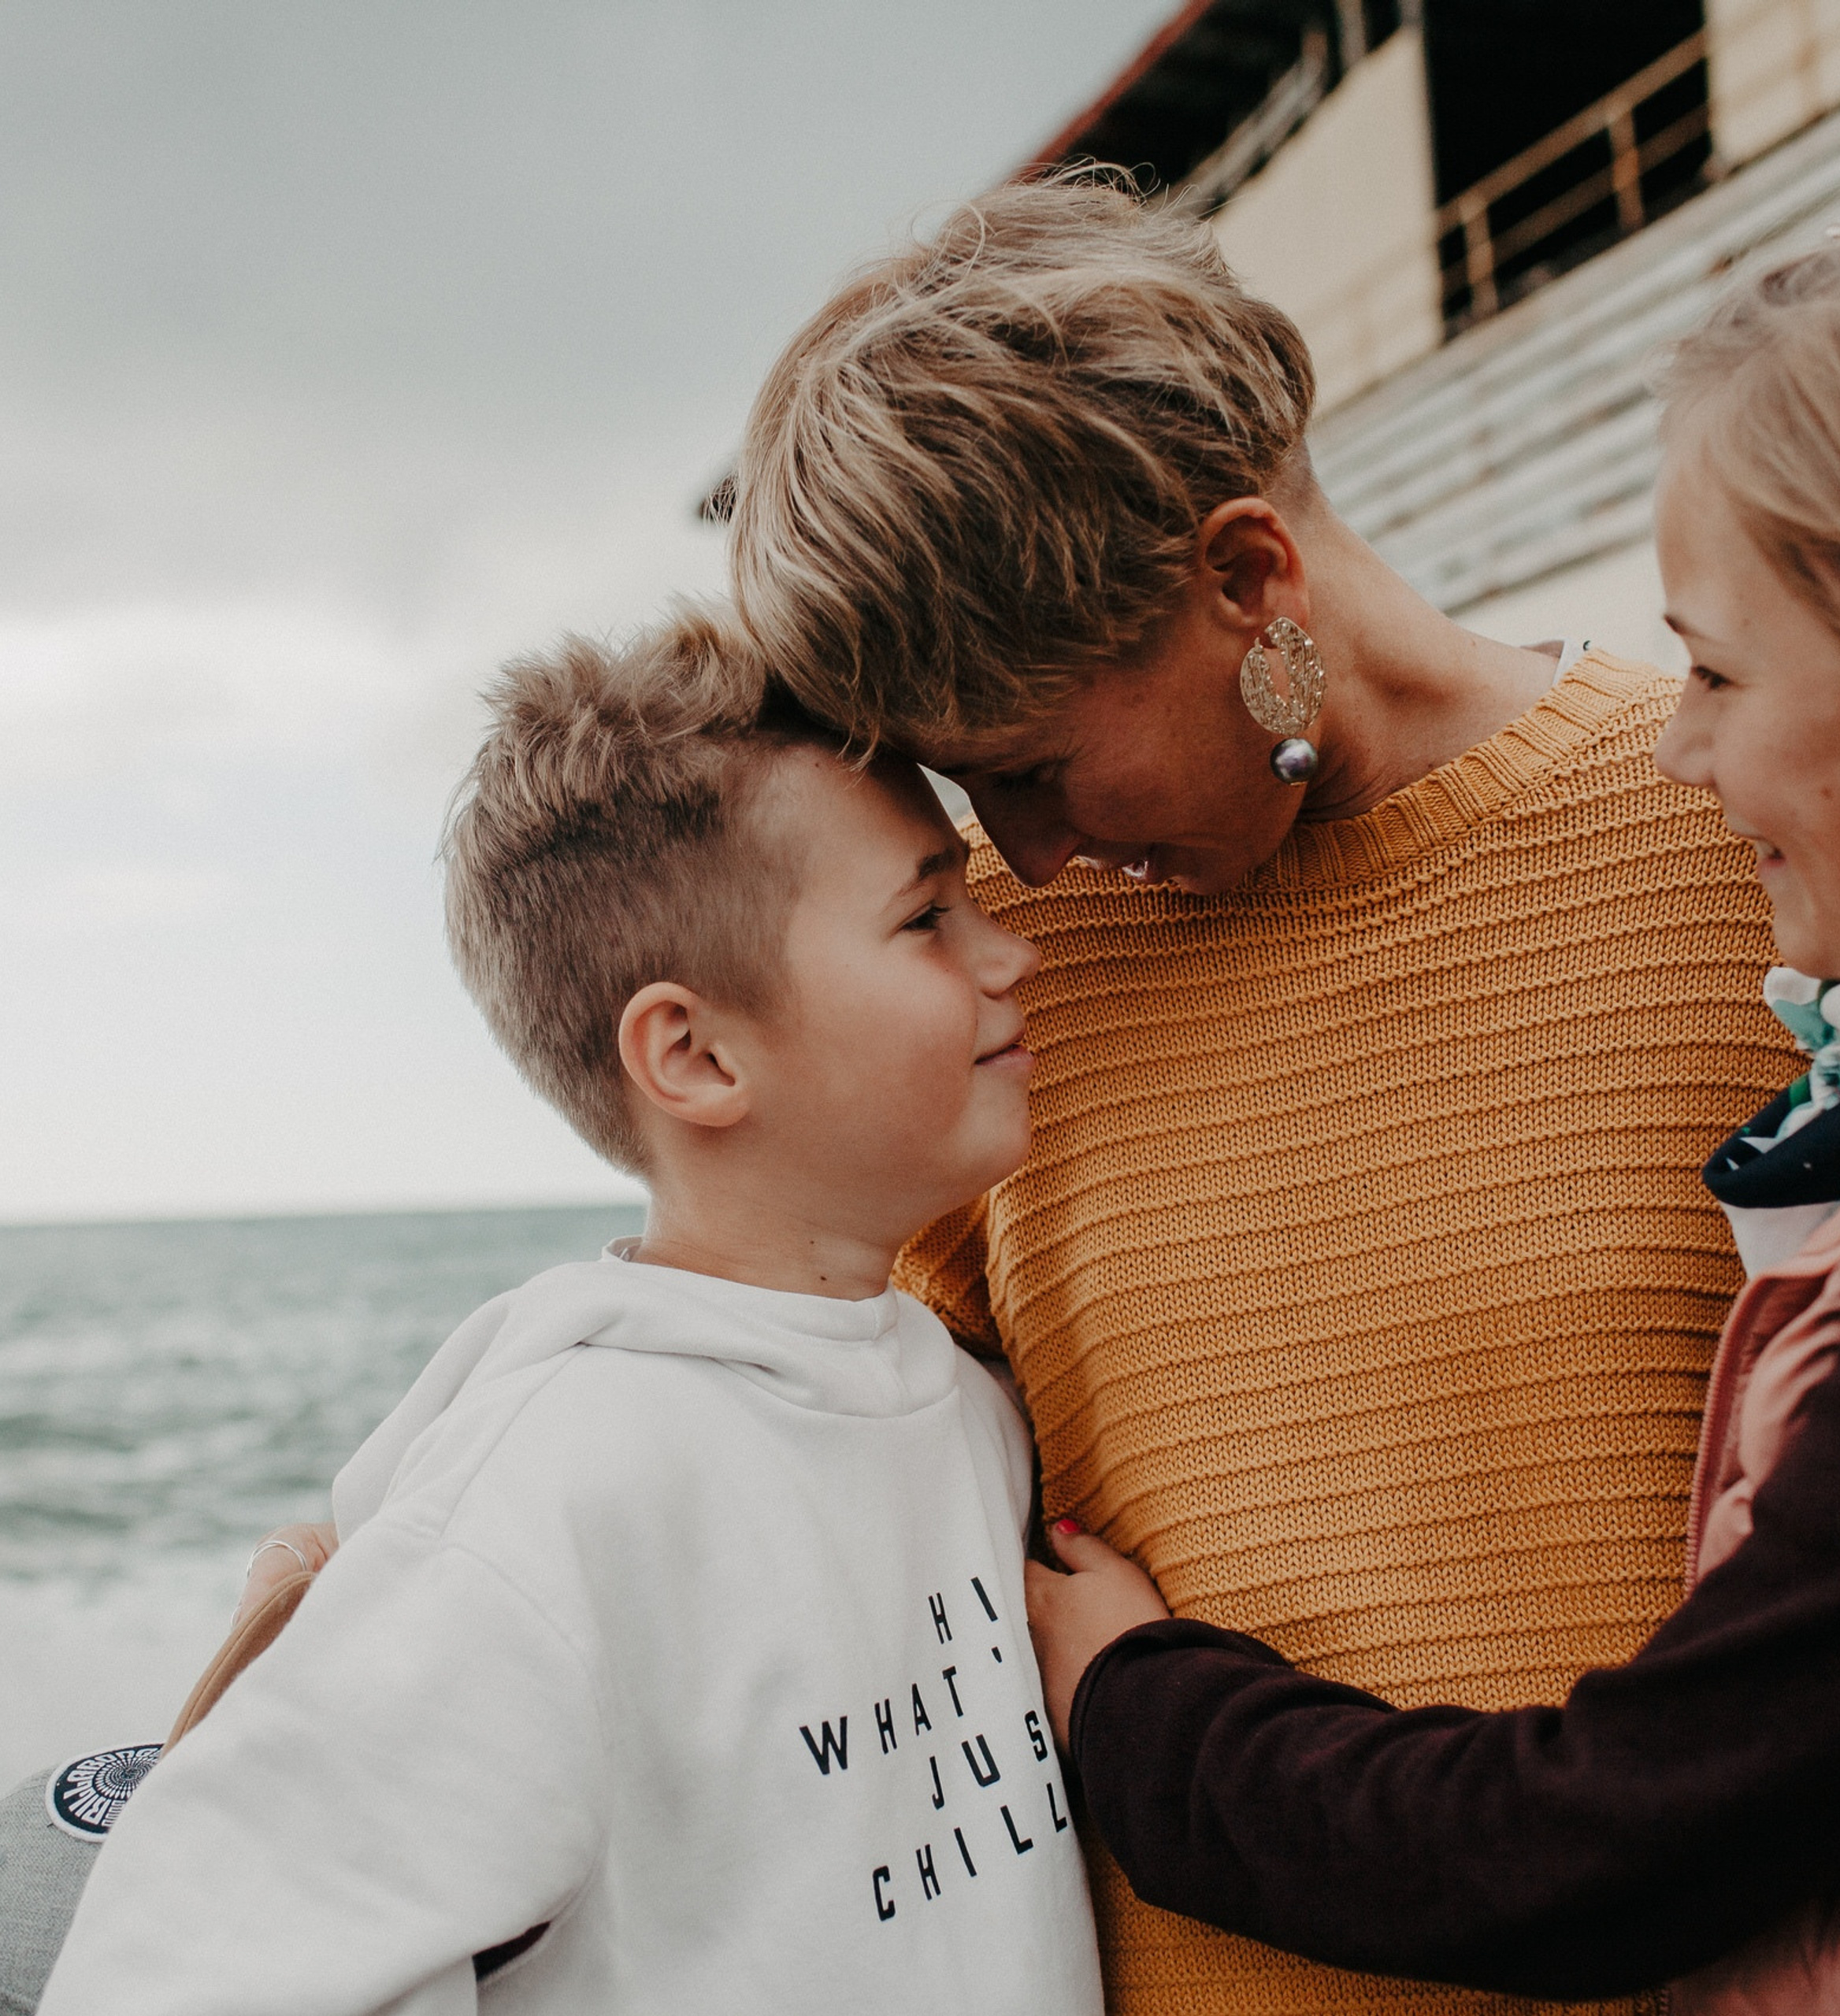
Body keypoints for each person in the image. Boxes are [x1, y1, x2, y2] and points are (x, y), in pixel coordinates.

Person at [725, 172, 1800, 2015]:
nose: (1028, 860)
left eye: (1038, 766)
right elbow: (782, 1476)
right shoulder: (970, 980)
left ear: (1244, 579)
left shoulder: (1741, 837)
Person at [22, 613, 1102, 2016]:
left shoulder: (959, 1400)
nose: (1012, 954)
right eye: (925, 917)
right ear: (697, 1054)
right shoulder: (556, 1492)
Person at [1006, 239, 1840, 2013]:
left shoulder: (1698, 873)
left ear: (1250, 575)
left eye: (1713, 671)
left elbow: (1622, 1833)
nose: (1679, 749)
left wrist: (1134, 1708)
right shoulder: (1005, 1007)